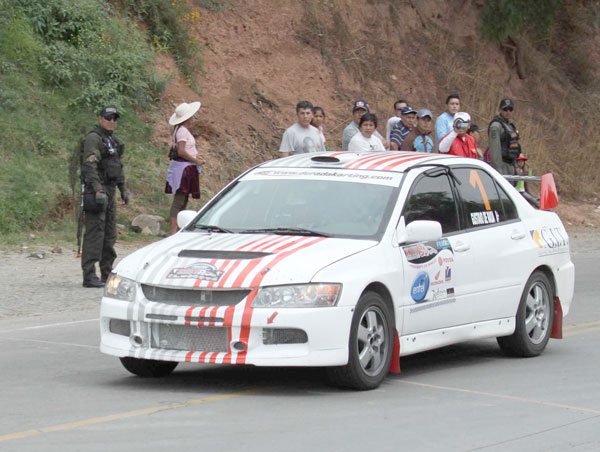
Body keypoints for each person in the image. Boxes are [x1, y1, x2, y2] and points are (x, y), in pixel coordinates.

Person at [80, 106, 128, 288]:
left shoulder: (112, 140)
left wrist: (123, 189)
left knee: (109, 235)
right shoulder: (94, 138)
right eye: (108, 118)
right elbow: (89, 166)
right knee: (95, 233)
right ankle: (89, 275)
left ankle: (106, 272)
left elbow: (117, 166)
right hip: (96, 190)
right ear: (100, 119)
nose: (112, 121)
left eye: (115, 119)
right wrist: (97, 189)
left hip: (110, 189)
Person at [165, 101, 204, 235]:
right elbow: (181, 151)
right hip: (184, 169)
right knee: (180, 199)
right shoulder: (182, 131)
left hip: (185, 167)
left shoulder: (180, 130)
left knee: (183, 198)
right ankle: (173, 230)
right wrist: (196, 161)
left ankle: (178, 228)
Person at [488, 98, 521, 175]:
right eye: (505, 109)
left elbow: (514, 148)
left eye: (510, 109)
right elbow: (495, 152)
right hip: (501, 168)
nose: (508, 112)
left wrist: (516, 166)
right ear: (500, 110)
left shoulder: (510, 126)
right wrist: (498, 172)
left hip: (511, 166)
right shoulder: (496, 126)